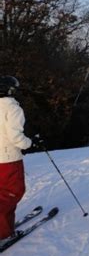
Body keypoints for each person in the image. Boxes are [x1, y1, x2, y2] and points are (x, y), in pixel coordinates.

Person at [0, 76, 32, 240]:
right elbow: (15, 137)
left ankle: (6, 229)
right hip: (8, 159)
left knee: (2, 193)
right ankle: (3, 233)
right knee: (13, 192)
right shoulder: (12, 108)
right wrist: (28, 143)